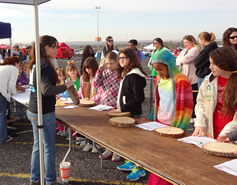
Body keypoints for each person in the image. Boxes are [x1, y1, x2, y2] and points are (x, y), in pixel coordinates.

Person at [27, 35, 73, 185]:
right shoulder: (45, 66)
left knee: (37, 146)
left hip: (34, 109)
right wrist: (66, 85)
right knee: (49, 148)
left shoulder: (35, 64)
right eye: (55, 47)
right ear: (46, 48)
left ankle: (35, 178)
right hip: (44, 112)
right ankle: (50, 180)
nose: (57, 50)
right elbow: (46, 89)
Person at [147, 50, 193, 185]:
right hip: (159, 123)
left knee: (170, 159)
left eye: (161, 69)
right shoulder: (158, 79)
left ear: (170, 66)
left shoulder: (182, 80)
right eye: (155, 70)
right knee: (157, 158)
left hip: (174, 126)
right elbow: (157, 102)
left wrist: (180, 127)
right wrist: (151, 117)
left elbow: (188, 106)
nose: (158, 72)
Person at [110, 48, 147, 181]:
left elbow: (139, 97)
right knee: (129, 142)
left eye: (124, 58)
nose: (121, 61)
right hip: (127, 112)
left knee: (136, 142)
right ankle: (132, 161)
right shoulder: (128, 73)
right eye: (120, 58)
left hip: (133, 113)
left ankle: (140, 168)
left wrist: (123, 108)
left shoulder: (135, 75)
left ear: (131, 59)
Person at [192, 47, 237, 140]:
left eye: (213, 64)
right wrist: (200, 121)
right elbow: (200, 102)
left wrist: (230, 133)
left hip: (230, 137)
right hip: (211, 134)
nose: (210, 67)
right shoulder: (209, 81)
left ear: (225, 63)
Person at [93, 51, 121, 161]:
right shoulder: (104, 73)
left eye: (112, 63)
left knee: (115, 130)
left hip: (114, 104)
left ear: (117, 62)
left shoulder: (119, 73)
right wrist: (99, 70)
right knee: (106, 129)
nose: (110, 66)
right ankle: (108, 149)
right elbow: (96, 84)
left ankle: (116, 151)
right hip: (104, 103)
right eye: (108, 63)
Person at [79, 57, 101, 152]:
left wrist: (91, 99)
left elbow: (101, 92)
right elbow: (81, 90)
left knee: (96, 126)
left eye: (90, 68)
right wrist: (78, 96)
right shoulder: (83, 77)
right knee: (88, 125)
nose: (88, 70)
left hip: (96, 104)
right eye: (86, 68)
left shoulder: (98, 77)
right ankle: (89, 142)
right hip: (86, 104)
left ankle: (96, 144)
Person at [176, 35, 200, 120]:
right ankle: (187, 114)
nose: (185, 44)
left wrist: (181, 59)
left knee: (193, 98)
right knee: (186, 98)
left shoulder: (195, 50)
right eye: (184, 43)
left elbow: (185, 60)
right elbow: (177, 61)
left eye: (187, 42)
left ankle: (193, 116)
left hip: (193, 79)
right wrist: (181, 59)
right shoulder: (185, 50)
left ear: (191, 42)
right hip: (185, 78)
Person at [0, 56, 19, 143]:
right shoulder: (13, 69)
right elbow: (11, 85)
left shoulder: (2, 67)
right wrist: (15, 94)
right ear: (16, 63)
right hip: (1, 94)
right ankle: (3, 137)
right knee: (1, 115)